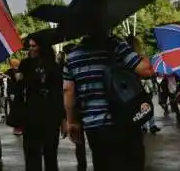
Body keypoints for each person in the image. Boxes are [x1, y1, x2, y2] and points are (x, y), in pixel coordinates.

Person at [63, 32, 154, 171]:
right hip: (124, 119)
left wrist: (72, 121)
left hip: (94, 125)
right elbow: (146, 70)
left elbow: (68, 90)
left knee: (103, 165)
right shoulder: (116, 45)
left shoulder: (72, 57)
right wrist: (136, 52)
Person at [18, 33, 64, 171]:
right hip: (32, 114)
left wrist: (63, 119)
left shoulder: (54, 67)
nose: (31, 49)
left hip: (48, 114)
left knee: (50, 154)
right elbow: (20, 88)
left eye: (34, 46)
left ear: (41, 47)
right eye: (29, 46)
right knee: (33, 154)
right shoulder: (25, 64)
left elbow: (59, 92)